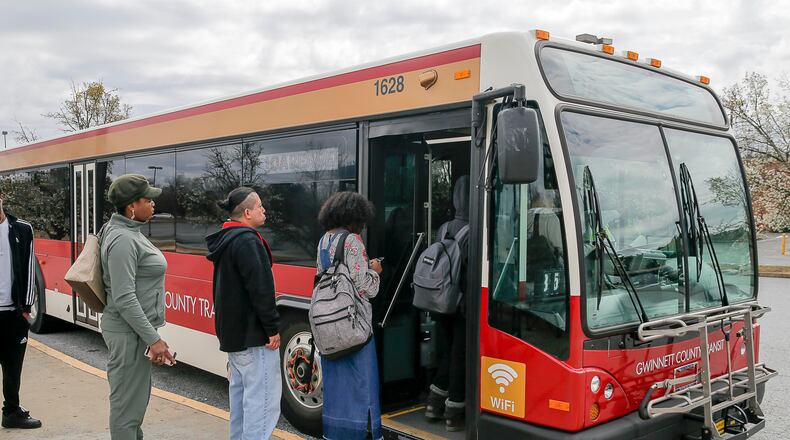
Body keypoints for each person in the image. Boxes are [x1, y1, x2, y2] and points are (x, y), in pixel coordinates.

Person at [101, 174, 175, 440]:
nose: (154, 204)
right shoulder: (123, 239)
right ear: (131, 206)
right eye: (148, 199)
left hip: (132, 332)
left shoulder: (127, 231)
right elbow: (124, 298)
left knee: (133, 406)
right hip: (128, 333)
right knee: (126, 410)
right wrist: (154, 339)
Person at [205, 187, 281, 440]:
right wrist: (272, 329)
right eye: (260, 206)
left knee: (240, 403)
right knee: (262, 405)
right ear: (247, 212)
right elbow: (261, 289)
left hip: (234, 338)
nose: (264, 210)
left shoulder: (226, 239)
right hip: (253, 337)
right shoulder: (248, 241)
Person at [316, 192, 383, 440]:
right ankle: (363, 433)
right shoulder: (353, 241)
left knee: (337, 387)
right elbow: (365, 288)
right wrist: (375, 271)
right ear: (356, 217)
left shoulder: (324, 240)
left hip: (331, 326)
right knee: (362, 384)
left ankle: (336, 433)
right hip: (355, 325)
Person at [425, 175, 470, 432]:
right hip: (464, 304)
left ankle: (433, 403)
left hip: (441, 302)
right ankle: (454, 412)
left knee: (449, 352)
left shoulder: (444, 228)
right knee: (460, 356)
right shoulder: (474, 228)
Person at [0, 189, 42, 429]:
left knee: (13, 367)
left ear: (2, 198)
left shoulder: (22, 229)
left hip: (13, 314)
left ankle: (11, 412)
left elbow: (29, 270)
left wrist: (26, 309)